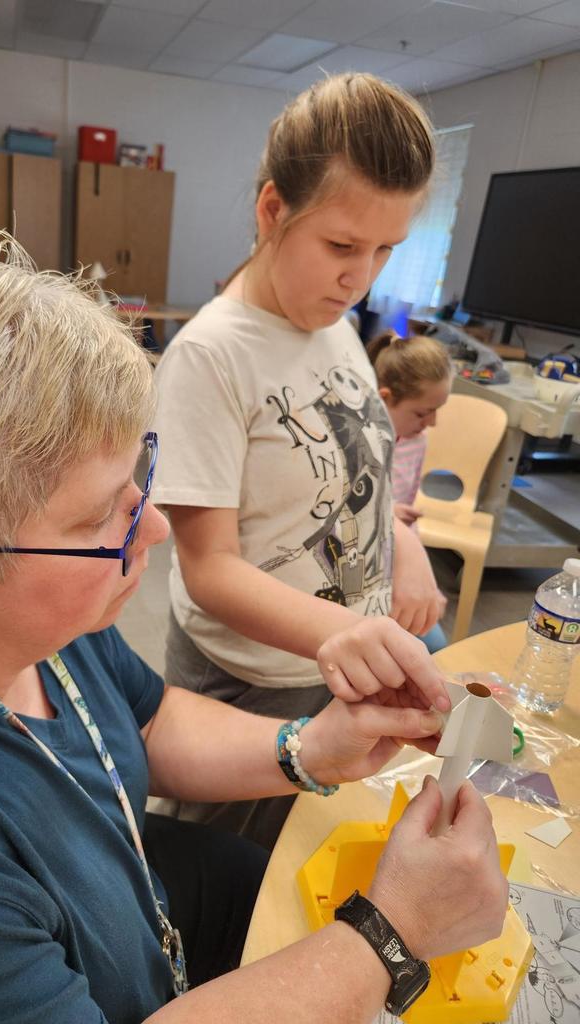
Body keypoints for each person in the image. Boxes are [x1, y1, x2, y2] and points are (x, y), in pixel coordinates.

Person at [0, 240, 507, 1024]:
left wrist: (310, 747)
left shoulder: (12, 598)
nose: (153, 531)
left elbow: (145, 717)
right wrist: (392, 936)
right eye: (96, 520)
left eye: (136, 482)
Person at [152, 73, 448, 848]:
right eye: (342, 246)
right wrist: (343, 632)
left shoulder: (333, 324)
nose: (361, 278)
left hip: (336, 661)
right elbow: (209, 568)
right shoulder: (211, 356)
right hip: (251, 683)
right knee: (232, 880)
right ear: (273, 209)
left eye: (385, 250)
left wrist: (403, 543)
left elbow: (352, 476)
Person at [367, 330, 454, 653]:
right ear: (384, 398)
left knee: (435, 646)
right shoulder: (357, 442)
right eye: (422, 412)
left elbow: (407, 517)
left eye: (437, 410)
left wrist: (423, 578)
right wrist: (387, 514)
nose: (432, 422)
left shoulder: (416, 441)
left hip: (393, 564)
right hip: (359, 572)